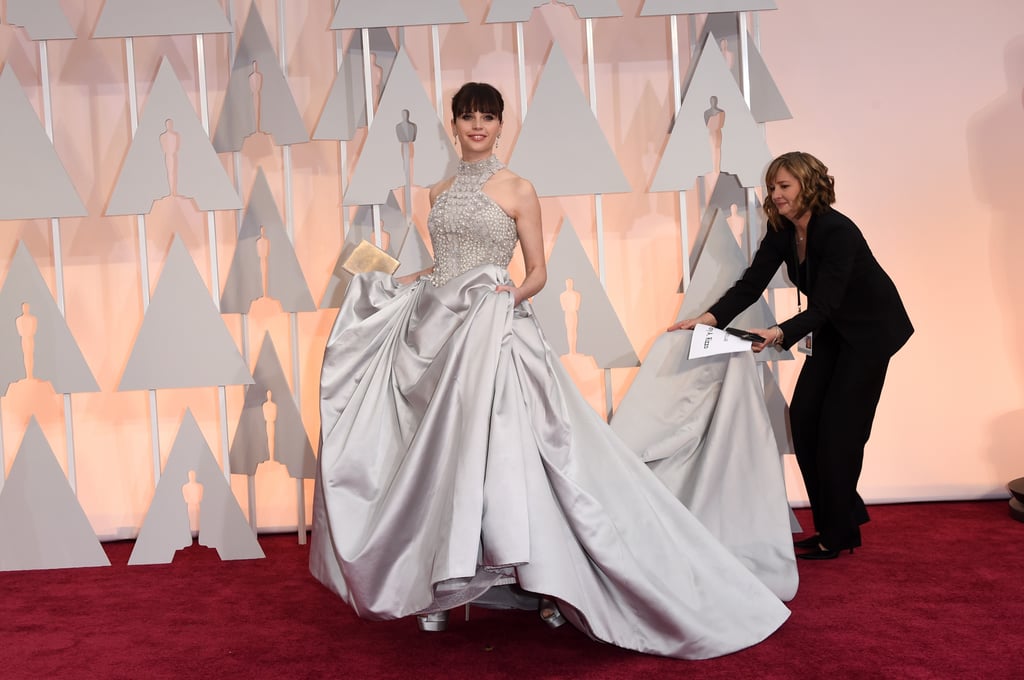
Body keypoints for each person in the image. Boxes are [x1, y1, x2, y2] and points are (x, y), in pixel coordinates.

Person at [309, 82, 790, 659]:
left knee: (522, 455)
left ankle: (547, 582)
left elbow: (535, 272)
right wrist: (395, 284)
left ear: (500, 125)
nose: (478, 127)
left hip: (500, 334)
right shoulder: (435, 192)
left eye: (488, 118)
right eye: (468, 118)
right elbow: (443, 267)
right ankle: (443, 585)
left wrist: (499, 305)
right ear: (454, 125)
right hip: (443, 336)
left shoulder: (517, 188)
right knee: (449, 459)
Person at [670, 151, 913, 560]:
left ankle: (836, 534)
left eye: (784, 186)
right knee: (803, 421)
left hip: (870, 335)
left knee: (840, 434)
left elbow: (827, 303)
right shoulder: (783, 230)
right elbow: (751, 285)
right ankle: (843, 517)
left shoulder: (838, 231)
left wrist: (781, 332)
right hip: (834, 329)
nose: (776, 195)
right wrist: (707, 319)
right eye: (772, 187)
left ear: (808, 184)